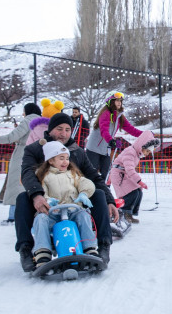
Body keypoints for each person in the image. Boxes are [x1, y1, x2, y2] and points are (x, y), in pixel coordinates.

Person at [15, 112, 120, 272]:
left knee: (98, 195)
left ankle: (103, 245)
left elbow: (94, 177)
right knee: (23, 198)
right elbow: (28, 173)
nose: (63, 133)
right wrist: (37, 195)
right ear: (50, 130)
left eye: (67, 130)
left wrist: (110, 200)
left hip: (72, 203)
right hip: (47, 200)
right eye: (59, 129)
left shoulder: (76, 152)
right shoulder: (35, 149)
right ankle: (26, 250)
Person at [30, 141, 99, 268]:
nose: (65, 162)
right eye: (61, 158)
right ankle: (42, 253)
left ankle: (89, 248)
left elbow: (85, 182)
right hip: (53, 213)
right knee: (41, 219)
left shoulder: (72, 174)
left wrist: (84, 193)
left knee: (83, 215)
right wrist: (47, 200)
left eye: (67, 158)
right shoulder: (44, 176)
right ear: (51, 160)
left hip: (72, 211)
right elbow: (41, 190)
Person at [0, 102, 41, 224]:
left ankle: (13, 216)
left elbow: (11, 137)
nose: (23, 114)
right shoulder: (42, 122)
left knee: (16, 185)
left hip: (23, 155)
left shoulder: (28, 120)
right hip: (38, 155)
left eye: (24, 111)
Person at [85, 92, 142, 177]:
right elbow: (104, 131)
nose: (119, 102)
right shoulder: (105, 113)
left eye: (120, 101)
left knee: (106, 174)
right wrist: (111, 141)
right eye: (117, 100)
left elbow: (131, 129)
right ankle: (91, 189)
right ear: (110, 102)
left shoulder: (119, 116)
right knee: (92, 173)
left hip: (105, 150)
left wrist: (145, 134)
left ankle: (105, 189)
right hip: (94, 148)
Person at [109, 130, 161, 224]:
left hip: (124, 175)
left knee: (138, 192)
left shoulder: (136, 154)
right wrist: (139, 181)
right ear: (142, 146)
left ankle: (130, 213)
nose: (148, 153)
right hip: (119, 176)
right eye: (147, 151)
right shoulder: (130, 152)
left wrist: (138, 184)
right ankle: (123, 212)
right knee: (132, 194)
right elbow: (130, 169)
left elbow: (129, 170)